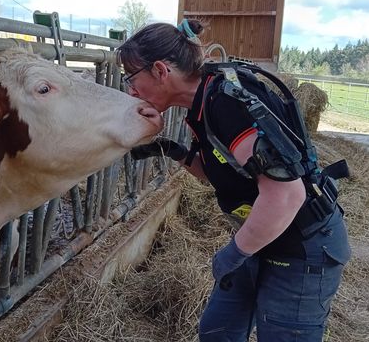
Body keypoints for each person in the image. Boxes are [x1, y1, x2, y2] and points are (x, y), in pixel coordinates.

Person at [117, 19, 351, 342]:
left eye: (131, 78)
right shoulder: (204, 103)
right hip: (261, 236)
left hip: (301, 245)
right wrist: (171, 151)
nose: (130, 90)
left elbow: (286, 195)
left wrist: (233, 254)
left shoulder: (225, 103)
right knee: (217, 331)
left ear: (160, 71)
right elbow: (223, 174)